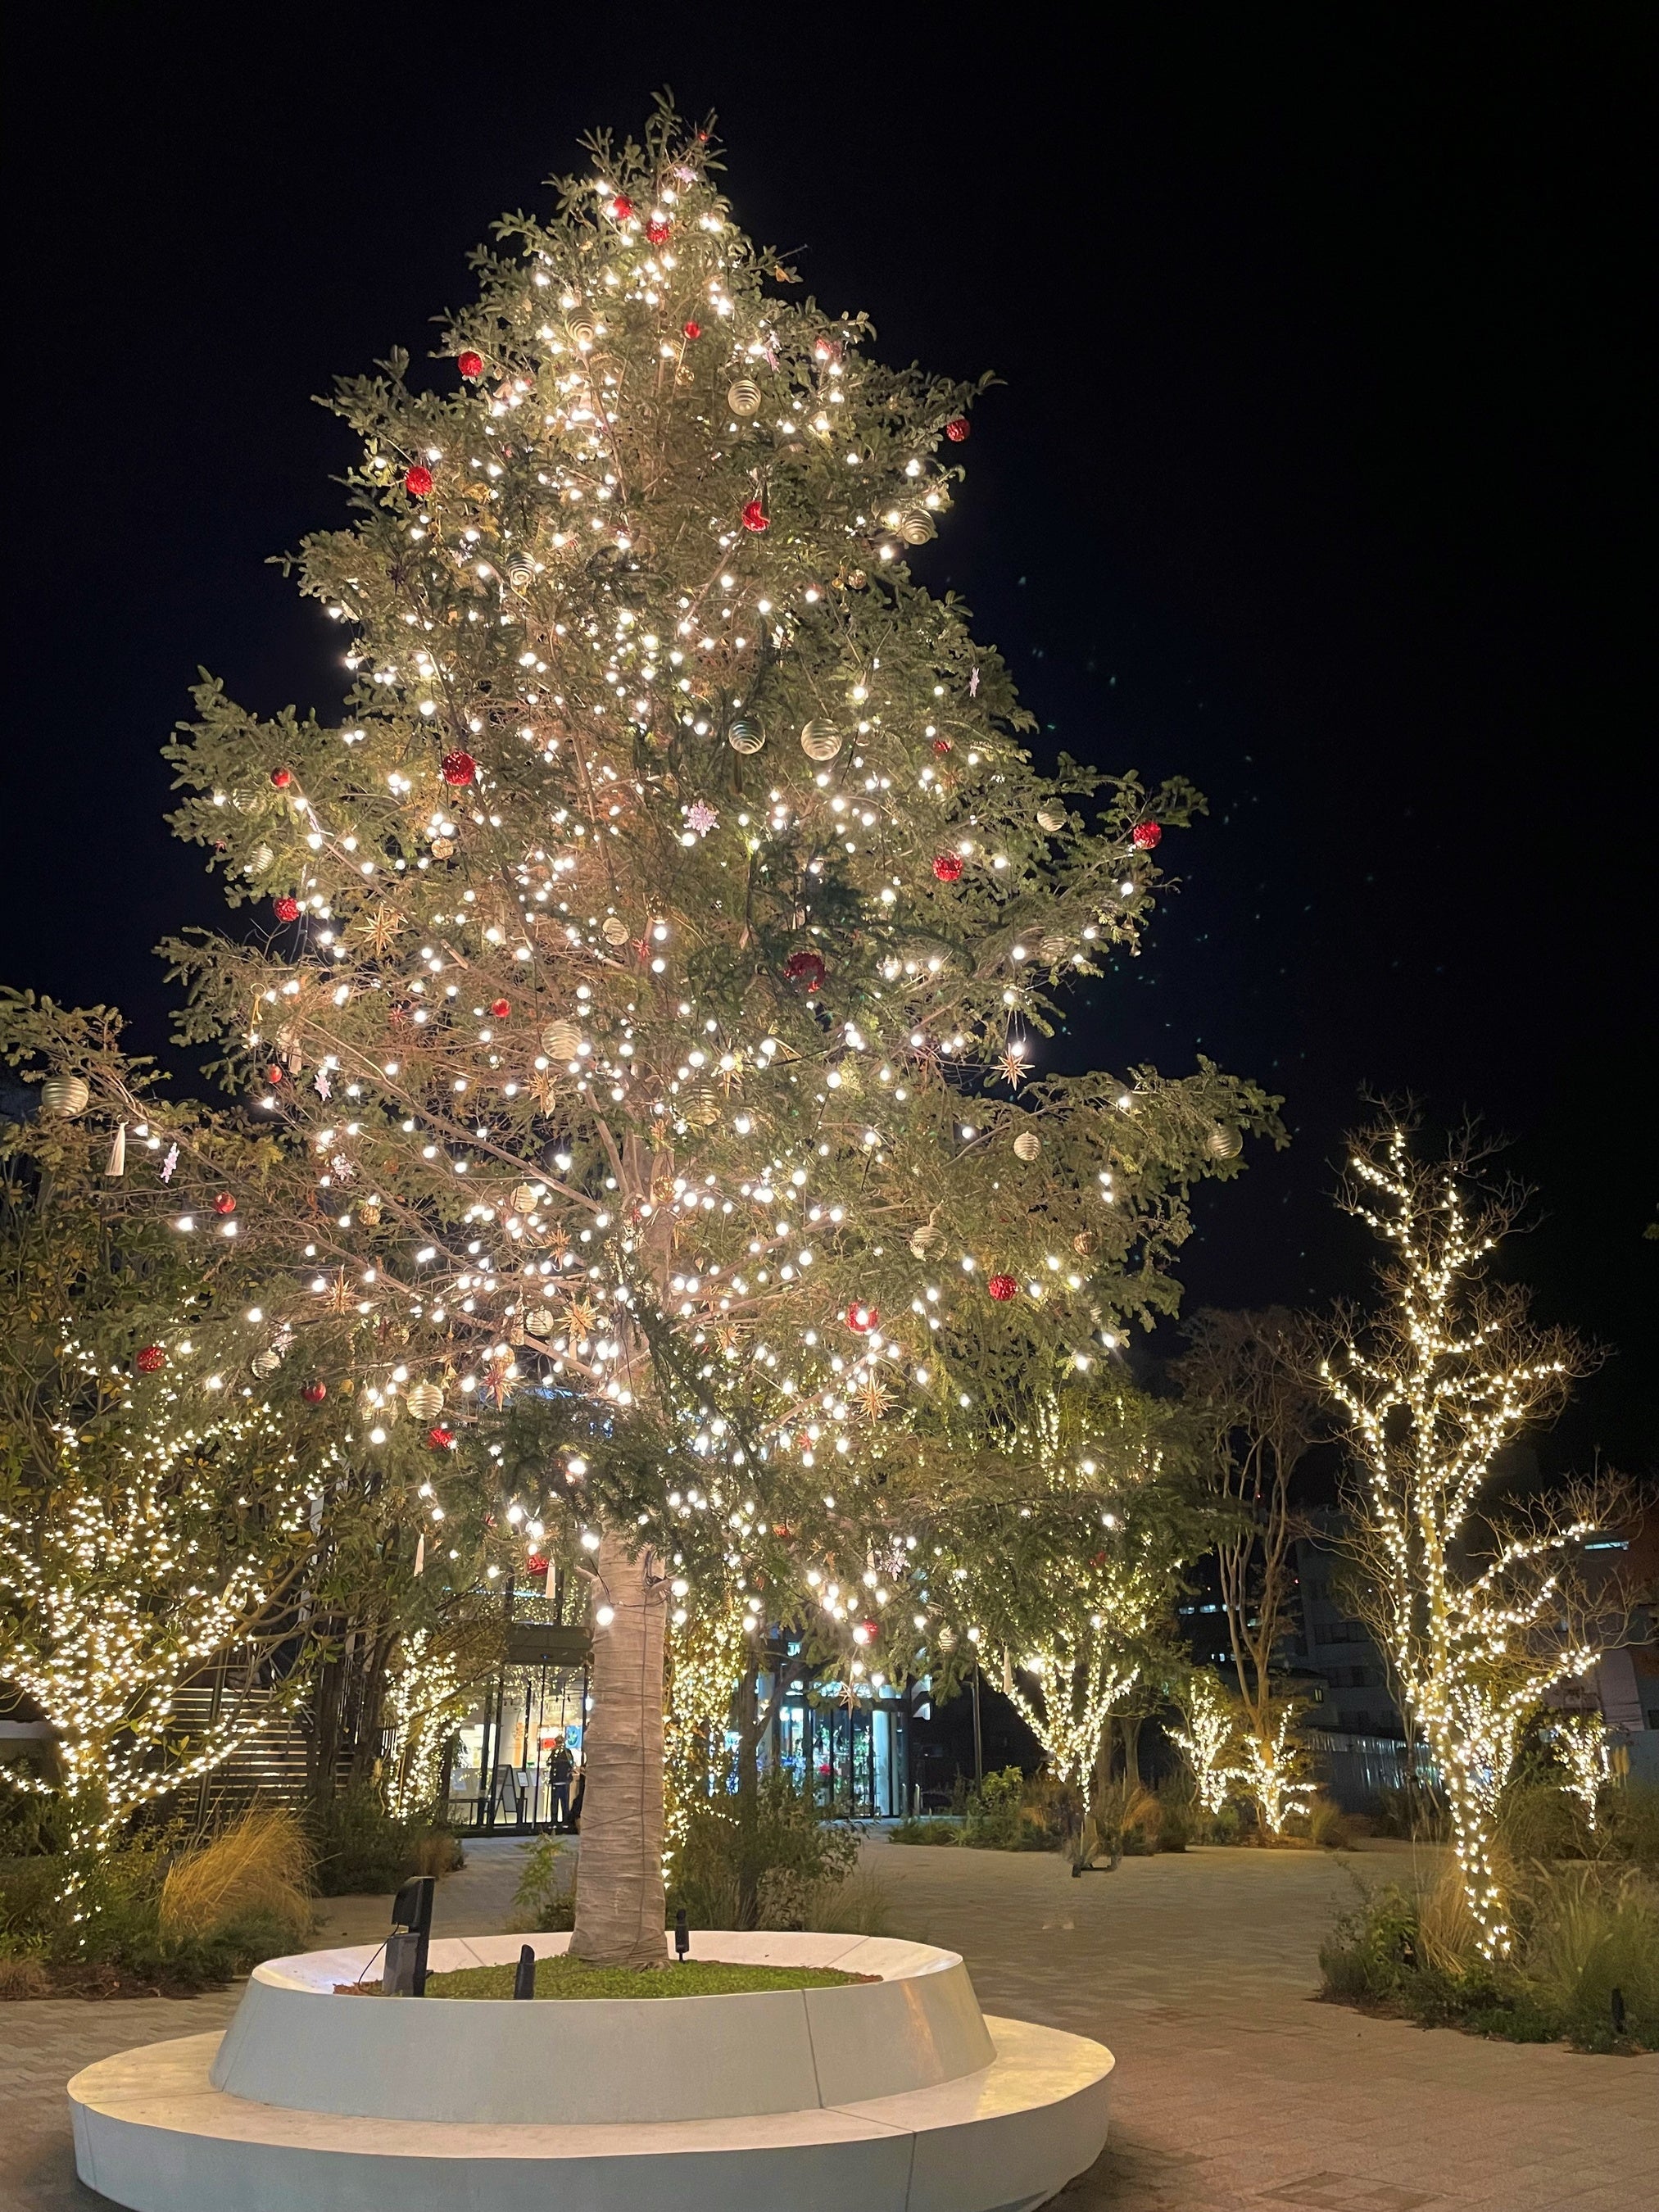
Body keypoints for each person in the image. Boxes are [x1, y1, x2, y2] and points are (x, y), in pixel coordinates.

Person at [548, 1734, 574, 1830]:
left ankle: (564, 1821)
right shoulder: (554, 1752)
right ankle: (555, 1821)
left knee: (563, 1803)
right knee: (556, 1803)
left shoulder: (567, 1752)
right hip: (557, 1781)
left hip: (563, 1781)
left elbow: (571, 1764)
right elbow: (549, 1763)